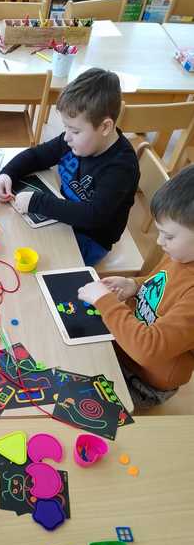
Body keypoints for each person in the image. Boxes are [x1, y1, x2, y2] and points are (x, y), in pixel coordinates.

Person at [0, 68, 140, 266]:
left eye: (75, 131)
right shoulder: (75, 141)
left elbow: (93, 216)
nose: (66, 137)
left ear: (105, 127)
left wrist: (37, 202)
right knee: (9, 236)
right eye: (66, 128)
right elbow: (37, 155)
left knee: (33, 263)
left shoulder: (121, 167)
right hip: (62, 215)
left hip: (90, 239)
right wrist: (7, 174)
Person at [77, 164, 194, 409]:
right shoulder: (182, 255)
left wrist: (105, 302)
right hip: (123, 342)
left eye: (169, 236)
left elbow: (148, 349)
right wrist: (134, 285)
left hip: (142, 379)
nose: (159, 242)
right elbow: (160, 284)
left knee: (78, 402)